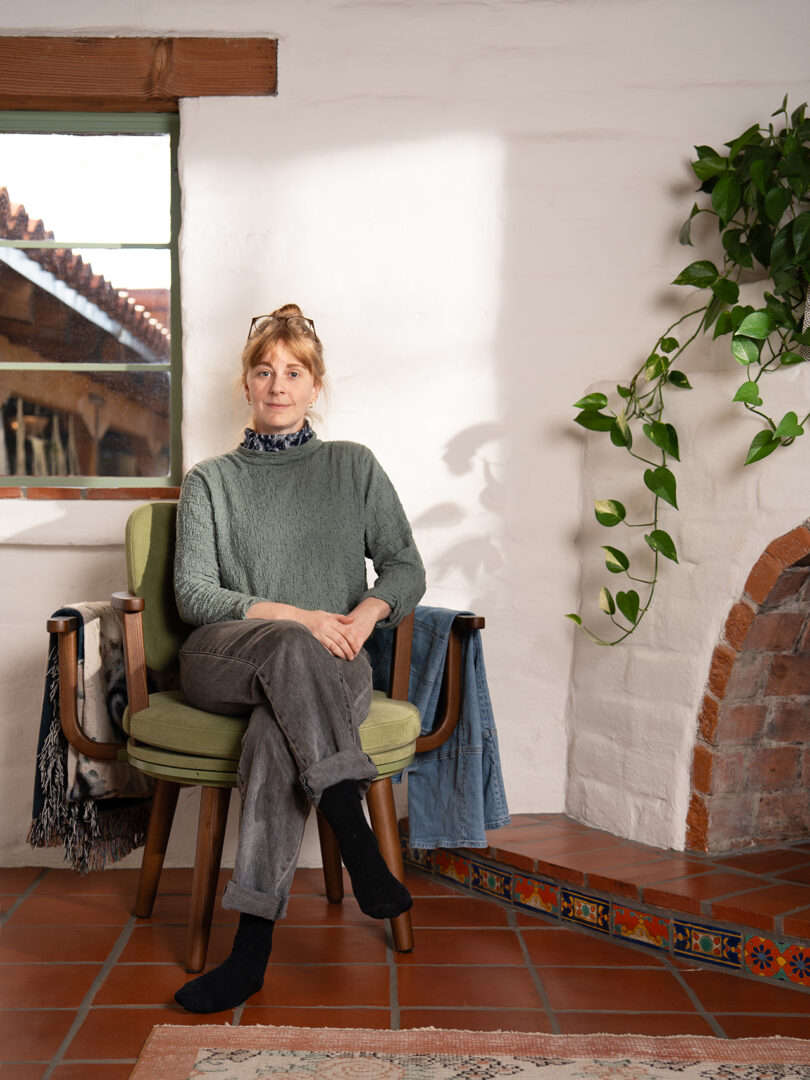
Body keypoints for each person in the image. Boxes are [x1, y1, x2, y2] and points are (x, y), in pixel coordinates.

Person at [172, 304, 426, 1013]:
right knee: (288, 646)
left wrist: (369, 611)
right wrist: (300, 617)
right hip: (224, 653)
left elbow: (406, 567)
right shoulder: (211, 480)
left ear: (315, 386)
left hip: (330, 664)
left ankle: (249, 951)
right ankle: (354, 827)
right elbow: (194, 594)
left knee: (272, 740)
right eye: (264, 370)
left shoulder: (354, 467)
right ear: (245, 385)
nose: (277, 384)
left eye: (293, 372)